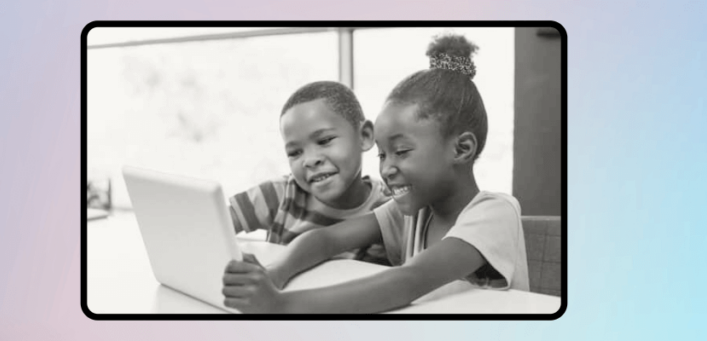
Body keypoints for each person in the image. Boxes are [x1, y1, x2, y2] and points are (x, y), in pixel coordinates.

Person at [222, 34, 529, 314]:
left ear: (461, 149)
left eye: (401, 151)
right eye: (382, 154)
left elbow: (408, 281)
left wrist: (279, 305)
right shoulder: (411, 213)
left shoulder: (494, 213)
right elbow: (325, 240)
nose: (385, 168)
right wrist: (276, 272)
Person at [228, 81, 390, 264]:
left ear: (365, 136)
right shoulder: (279, 193)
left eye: (325, 140)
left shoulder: (387, 210)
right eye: (295, 153)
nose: (310, 160)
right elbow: (212, 225)